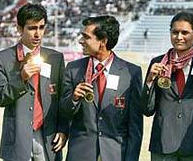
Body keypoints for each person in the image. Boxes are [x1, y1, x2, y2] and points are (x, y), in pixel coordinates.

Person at [60, 15, 143, 161]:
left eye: (86, 37)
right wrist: (73, 99)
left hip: (116, 154)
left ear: (103, 42)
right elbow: (63, 112)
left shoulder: (131, 73)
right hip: (81, 154)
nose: (80, 41)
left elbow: (135, 125)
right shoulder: (73, 69)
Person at [0, 3, 68, 161]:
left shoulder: (56, 58)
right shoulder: (2, 59)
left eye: (41, 27)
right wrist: (21, 78)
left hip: (48, 138)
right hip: (17, 140)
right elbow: (0, 98)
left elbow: (62, 98)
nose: (38, 34)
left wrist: (63, 129)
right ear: (19, 29)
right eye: (32, 28)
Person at [140, 12, 193, 161]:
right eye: (175, 32)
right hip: (163, 145)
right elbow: (147, 110)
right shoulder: (158, 63)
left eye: (185, 32)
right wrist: (149, 81)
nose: (179, 37)